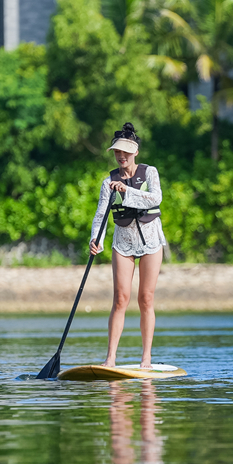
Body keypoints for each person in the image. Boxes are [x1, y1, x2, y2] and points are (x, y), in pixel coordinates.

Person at [90, 122, 165, 369]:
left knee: (145, 298)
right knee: (120, 299)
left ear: (135, 152)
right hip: (123, 242)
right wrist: (96, 240)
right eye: (117, 152)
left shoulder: (150, 172)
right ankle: (110, 358)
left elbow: (156, 198)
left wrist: (127, 191)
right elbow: (101, 215)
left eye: (125, 152)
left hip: (151, 241)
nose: (121, 156)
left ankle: (146, 359)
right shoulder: (108, 181)